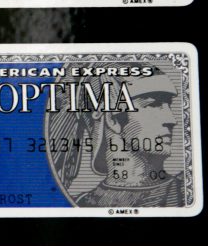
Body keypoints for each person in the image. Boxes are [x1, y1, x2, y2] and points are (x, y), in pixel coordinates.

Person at [72, 70, 184, 207]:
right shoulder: (80, 204)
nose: (172, 120)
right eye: (153, 105)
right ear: (113, 120)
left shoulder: (186, 192)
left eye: (169, 105)